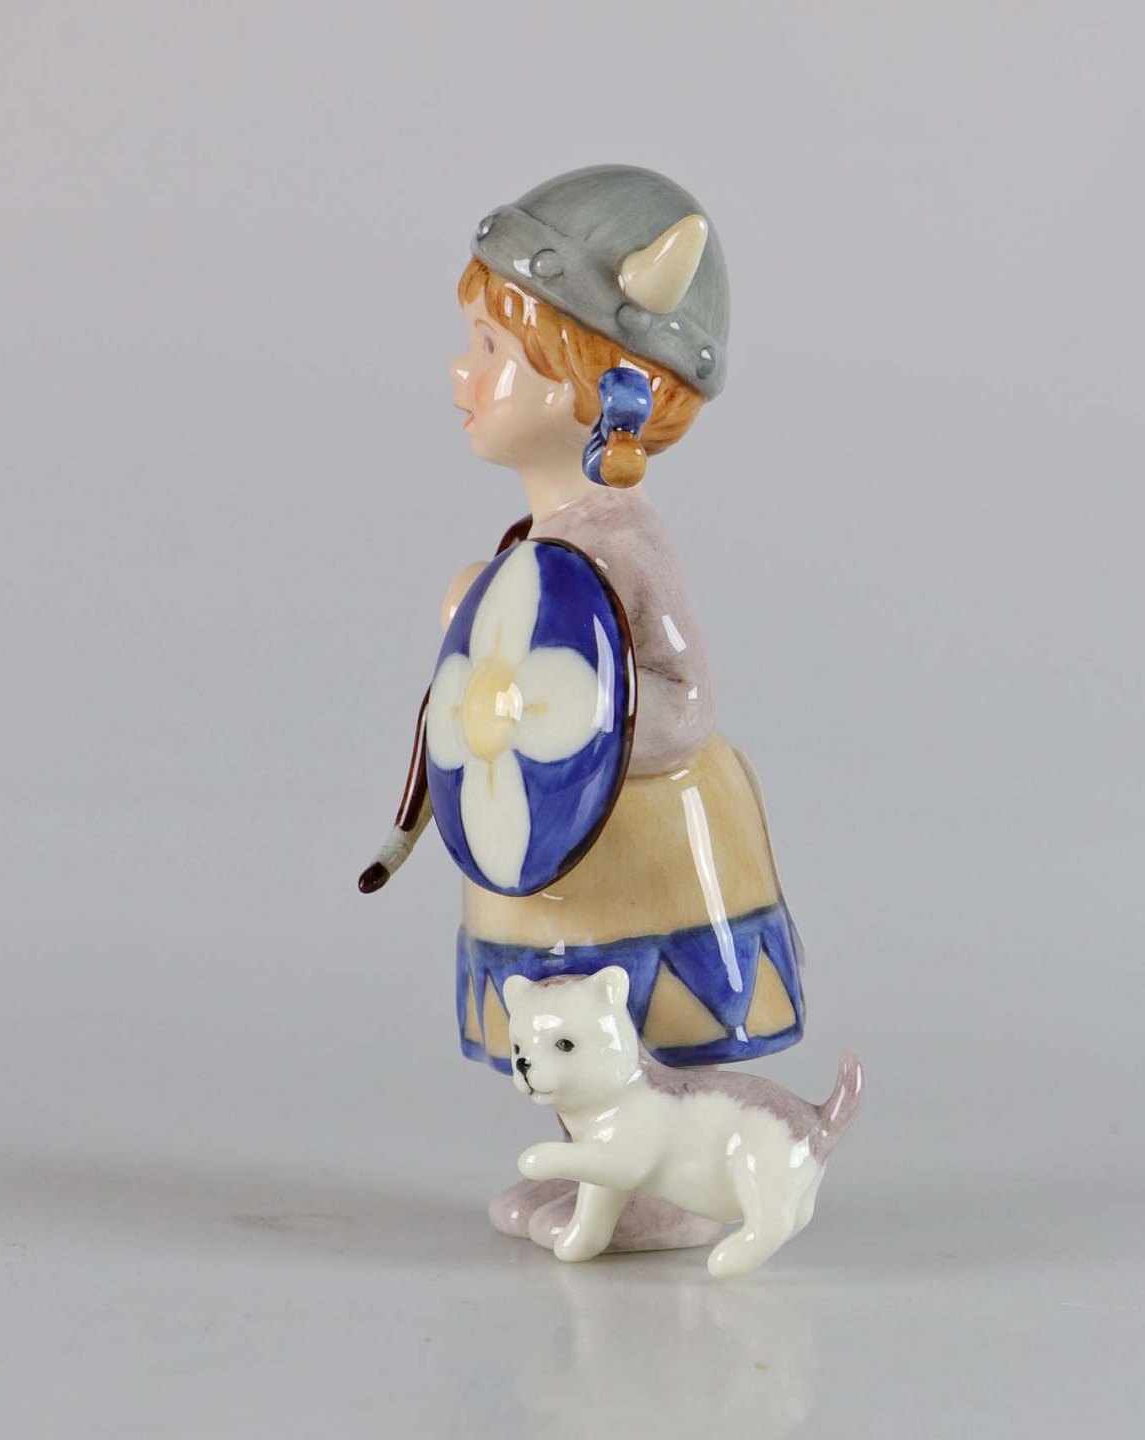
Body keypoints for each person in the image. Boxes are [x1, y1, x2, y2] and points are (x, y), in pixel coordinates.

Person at [364, 166, 806, 1251]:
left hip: (638, 827)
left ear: (598, 385)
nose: (463, 372)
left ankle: (659, 1187)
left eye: (493, 349)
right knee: (559, 1013)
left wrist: (584, 742)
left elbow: (686, 698)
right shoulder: (541, 545)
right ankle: (608, 1176)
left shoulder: (620, 537)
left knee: (632, 1013)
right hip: (563, 840)